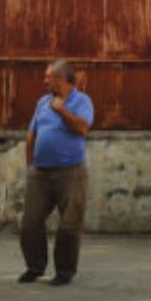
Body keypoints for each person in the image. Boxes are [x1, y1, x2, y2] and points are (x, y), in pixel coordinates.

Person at [19, 59, 94, 286]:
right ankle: (34, 267)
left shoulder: (82, 101)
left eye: (48, 76)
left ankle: (64, 271)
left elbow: (82, 128)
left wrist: (62, 111)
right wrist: (30, 165)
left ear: (61, 79)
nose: (45, 80)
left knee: (69, 224)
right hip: (40, 173)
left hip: (70, 173)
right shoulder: (43, 101)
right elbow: (32, 134)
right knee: (30, 222)